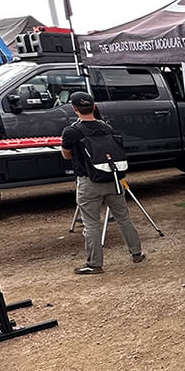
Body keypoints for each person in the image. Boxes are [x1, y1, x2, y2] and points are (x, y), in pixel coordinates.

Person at [61, 91, 145, 275]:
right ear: (93, 106)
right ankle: (136, 253)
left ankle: (95, 263)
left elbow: (66, 154)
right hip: (113, 178)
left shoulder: (72, 131)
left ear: (75, 109)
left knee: (91, 223)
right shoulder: (107, 127)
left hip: (89, 181)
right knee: (123, 217)